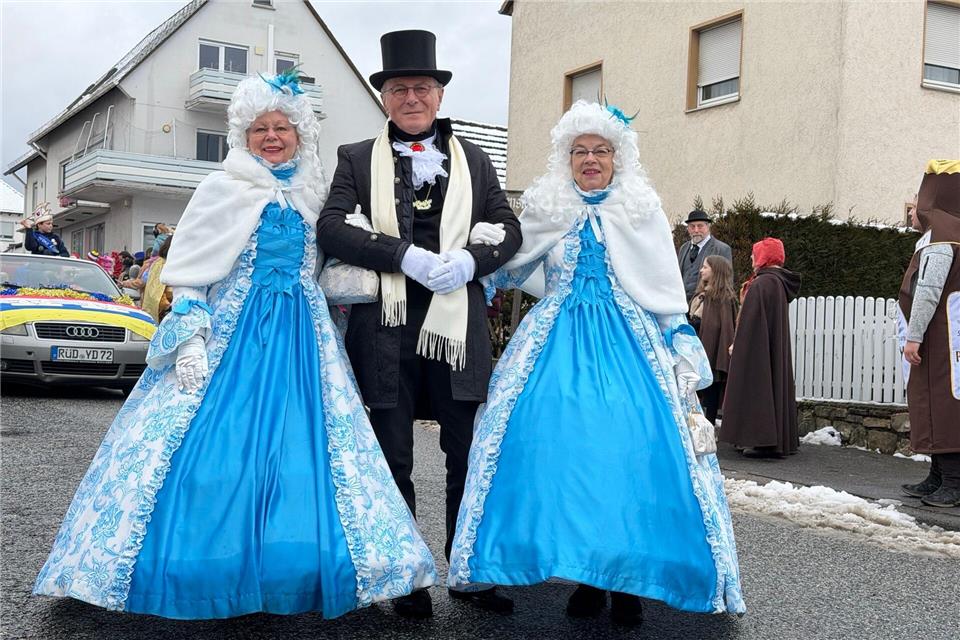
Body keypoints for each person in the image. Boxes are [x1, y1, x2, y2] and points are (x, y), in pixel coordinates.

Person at [34, 69, 436, 619]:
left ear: (301, 134)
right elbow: (191, 273)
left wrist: (362, 280)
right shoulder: (221, 189)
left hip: (303, 340)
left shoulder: (315, 196)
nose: (272, 138)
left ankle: (289, 566)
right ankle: (195, 567)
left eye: (282, 128)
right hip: (234, 333)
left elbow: (319, 270)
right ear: (243, 136)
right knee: (205, 456)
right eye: (260, 129)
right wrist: (193, 339)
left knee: (306, 459)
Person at [447, 100, 745, 627]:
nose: (590, 159)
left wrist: (679, 337)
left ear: (617, 157)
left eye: (600, 150)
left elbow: (661, 285)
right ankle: (585, 573)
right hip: (556, 342)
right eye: (580, 150)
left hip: (629, 346)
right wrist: (482, 259)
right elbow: (514, 266)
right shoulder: (549, 211)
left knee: (630, 454)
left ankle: (624, 580)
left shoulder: (640, 211)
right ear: (567, 159)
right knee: (559, 453)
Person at [316, 29, 521, 619]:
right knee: (392, 453)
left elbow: (510, 229)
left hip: (457, 331)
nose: (412, 97)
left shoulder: (474, 159)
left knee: (467, 451)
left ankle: (468, 570)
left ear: (437, 96)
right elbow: (331, 227)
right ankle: (404, 573)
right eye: (400, 88)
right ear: (385, 97)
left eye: (422, 88)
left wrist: (470, 261)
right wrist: (399, 254)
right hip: (384, 328)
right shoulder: (356, 157)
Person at [899, 160, 960, 508]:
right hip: (946, 337)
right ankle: (938, 476)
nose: (912, 210)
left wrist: (915, 335)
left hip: (939, 339)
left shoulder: (941, 237)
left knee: (943, 405)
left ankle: (952, 482)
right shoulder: (947, 232)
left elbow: (929, 289)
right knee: (937, 404)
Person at [720, 238, 802, 458]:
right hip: (766, 346)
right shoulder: (776, 283)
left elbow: (751, 324)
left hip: (757, 349)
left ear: (764, 257)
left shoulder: (763, 284)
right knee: (772, 380)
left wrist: (739, 346)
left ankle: (760, 439)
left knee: (758, 384)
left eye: (755, 254)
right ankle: (771, 440)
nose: (751, 258)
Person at [688, 255, 738, 424]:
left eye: (705, 267)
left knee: (712, 388)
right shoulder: (701, 295)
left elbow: (723, 328)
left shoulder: (723, 298)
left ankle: (708, 423)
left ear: (716, 271)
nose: (701, 270)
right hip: (696, 347)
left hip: (712, 349)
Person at [677, 209, 732, 301]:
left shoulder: (721, 249)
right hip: (683, 305)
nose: (696, 230)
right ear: (688, 228)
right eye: (692, 226)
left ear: (708, 227)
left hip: (708, 304)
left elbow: (727, 281)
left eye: (700, 226)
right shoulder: (684, 248)